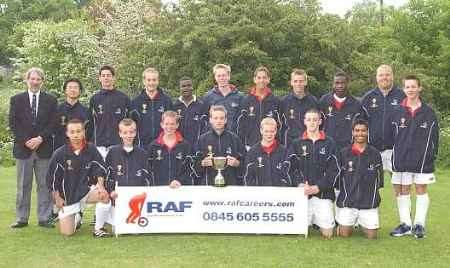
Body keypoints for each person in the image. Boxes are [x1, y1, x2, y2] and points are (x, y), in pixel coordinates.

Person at [389, 75, 439, 239]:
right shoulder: (397, 111)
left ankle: (419, 224)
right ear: (404, 90)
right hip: (402, 158)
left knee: (420, 190)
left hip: (422, 159)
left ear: (419, 88)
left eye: (413, 86)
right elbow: (392, 136)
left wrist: (432, 155)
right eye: (407, 87)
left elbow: (434, 137)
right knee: (403, 191)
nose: (410, 89)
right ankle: (405, 224)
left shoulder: (428, 112)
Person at [9, 67, 57, 228]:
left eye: (38, 79)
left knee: (44, 185)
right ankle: (22, 218)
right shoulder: (16, 99)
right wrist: (26, 140)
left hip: (44, 148)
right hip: (24, 149)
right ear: (27, 80)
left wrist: (40, 138)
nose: (35, 82)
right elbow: (13, 123)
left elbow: (53, 123)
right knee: (23, 185)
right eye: (33, 79)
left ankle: (44, 218)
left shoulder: (50, 100)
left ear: (42, 82)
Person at [46, 119, 109, 236]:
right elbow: (52, 179)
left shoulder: (91, 149)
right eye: (72, 132)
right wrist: (57, 198)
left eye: (79, 131)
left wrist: (100, 186)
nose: (76, 135)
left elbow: (100, 168)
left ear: (84, 132)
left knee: (105, 196)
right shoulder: (59, 153)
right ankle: (77, 215)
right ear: (67, 133)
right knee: (67, 233)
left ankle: (99, 228)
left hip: (86, 191)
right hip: (68, 196)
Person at [95, 118, 153, 237]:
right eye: (125, 132)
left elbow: (148, 178)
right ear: (120, 133)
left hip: (136, 202)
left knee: (134, 231)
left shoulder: (142, 153)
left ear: (136, 133)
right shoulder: (112, 153)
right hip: (117, 200)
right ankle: (99, 227)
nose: (128, 135)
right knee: (119, 229)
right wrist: (111, 191)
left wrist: (145, 193)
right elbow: (108, 175)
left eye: (131, 132)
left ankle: (132, 221)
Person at [287, 109, 339, 238]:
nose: (312, 123)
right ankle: (310, 220)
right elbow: (291, 169)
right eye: (309, 119)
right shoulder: (296, 143)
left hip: (322, 194)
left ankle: (319, 221)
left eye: (315, 120)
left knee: (327, 234)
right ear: (304, 121)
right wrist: (300, 185)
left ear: (320, 122)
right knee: (299, 233)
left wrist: (318, 187)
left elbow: (334, 170)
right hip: (303, 194)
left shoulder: (330, 143)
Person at [336, 119, 384, 239]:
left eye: (363, 131)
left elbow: (379, 181)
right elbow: (338, 181)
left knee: (372, 236)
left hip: (368, 204)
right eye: (357, 131)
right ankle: (344, 223)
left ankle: (363, 222)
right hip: (349, 203)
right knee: (344, 235)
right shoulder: (344, 153)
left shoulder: (375, 154)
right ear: (352, 132)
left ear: (367, 132)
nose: (360, 133)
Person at [361, 65, 405, 172]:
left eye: (387, 74)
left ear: (392, 76)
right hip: (373, 149)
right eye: (381, 75)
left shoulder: (403, 96)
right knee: (371, 185)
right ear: (376, 77)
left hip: (396, 149)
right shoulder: (368, 97)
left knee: (400, 186)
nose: (384, 77)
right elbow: (361, 123)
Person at [196, 105, 245, 186]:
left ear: (226, 120)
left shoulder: (234, 139)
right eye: (215, 118)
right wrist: (202, 163)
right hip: (208, 185)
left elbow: (245, 162)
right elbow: (194, 165)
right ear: (210, 120)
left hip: (230, 186)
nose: (219, 121)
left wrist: (237, 164)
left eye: (221, 118)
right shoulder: (202, 139)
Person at [88, 65, 130, 158]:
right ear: (99, 78)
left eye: (108, 75)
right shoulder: (94, 99)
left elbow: (130, 123)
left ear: (113, 78)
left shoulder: (123, 98)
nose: (106, 78)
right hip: (99, 145)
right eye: (103, 76)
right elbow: (90, 124)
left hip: (119, 144)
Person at [319, 72, 367, 151]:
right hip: (327, 147)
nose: (340, 86)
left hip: (348, 149)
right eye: (337, 83)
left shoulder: (357, 104)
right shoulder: (323, 101)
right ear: (333, 84)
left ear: (348, 84)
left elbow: (362, 128)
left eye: (343, 83)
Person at [237, 66, 281, 150]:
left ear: (268, 79)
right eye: (259, 77)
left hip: (271, 147)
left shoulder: (276, 101)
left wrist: (278, 143)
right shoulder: (245, 101)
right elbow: (240, 126)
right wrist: (242, 145)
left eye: (264, 78)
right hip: (250, 146)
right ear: (254, 79)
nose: (262, 80)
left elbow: (280, 126)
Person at [148, 111, 196, 186]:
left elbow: (190, 168)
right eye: (166, 124)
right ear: (161, 125)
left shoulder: (185, 145)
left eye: (172, 124)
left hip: (180, 188)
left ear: (177, 125)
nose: (169, 127)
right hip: (159, 189)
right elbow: (149, 169)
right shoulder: (153, 146)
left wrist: (179, 181)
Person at [130, 67, 173, 148]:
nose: (151, 83)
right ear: (144, 81)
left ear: (158, 81)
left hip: (163, 146)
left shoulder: (167, 101)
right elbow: (131, 126)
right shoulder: (135, 102)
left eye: (154, 80)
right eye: (148, 80)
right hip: (142, 146)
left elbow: (172, 124)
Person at [243, 117, 291, 186]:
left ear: (276, 131)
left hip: (279, 194)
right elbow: (248, 178)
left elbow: (288, 175)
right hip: (259, 195)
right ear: (261, 131)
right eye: (266, 131)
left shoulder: (284, 151)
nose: (269, 134)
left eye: (272, 131)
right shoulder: (252, 152)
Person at [281, 68, 318, 146]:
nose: (298, 84)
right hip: (289, 143)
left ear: (305, 82)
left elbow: (318, 124)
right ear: (291, 82)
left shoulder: (313, 101)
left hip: (308, 142)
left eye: (301, 81)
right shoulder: (284, 101)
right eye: (295, 81)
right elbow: (280, 125)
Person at [202, 64, 244, 133]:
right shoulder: (208, 97)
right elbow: (205, 120)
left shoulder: (240, 97)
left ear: (229, 76)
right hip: (214, 138)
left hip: (233, 138)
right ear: (215, 78)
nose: (221, 78)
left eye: (224, 75)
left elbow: (243, 121)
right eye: (219, 76)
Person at [172, 77, 208, 148]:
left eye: (188, 85)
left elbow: (206, 127)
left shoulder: (202, 105)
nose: (186, 88)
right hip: (178, 147)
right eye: (183, 86)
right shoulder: (174, 106)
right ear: (180, 88)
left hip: (197, 147)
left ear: (192, 87)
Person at [54, 78, 89, 149]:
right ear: (65, 91)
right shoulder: (56, 110)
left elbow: (89, 132)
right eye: (70, 87)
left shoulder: (86, 111)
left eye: (75, 87)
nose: (73, 90)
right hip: (60, 150)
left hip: (81, 150)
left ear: (80, 91)